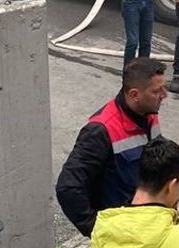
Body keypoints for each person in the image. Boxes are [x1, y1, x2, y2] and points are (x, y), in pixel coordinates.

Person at [56, 59, 168, 237]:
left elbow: (157, 152)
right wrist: (98, 231)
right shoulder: (101, 131)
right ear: (134, 94)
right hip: (121, 234)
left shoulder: (148, 115)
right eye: (156, 91)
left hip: (145, 225)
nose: (164, 94)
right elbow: (68, 187)